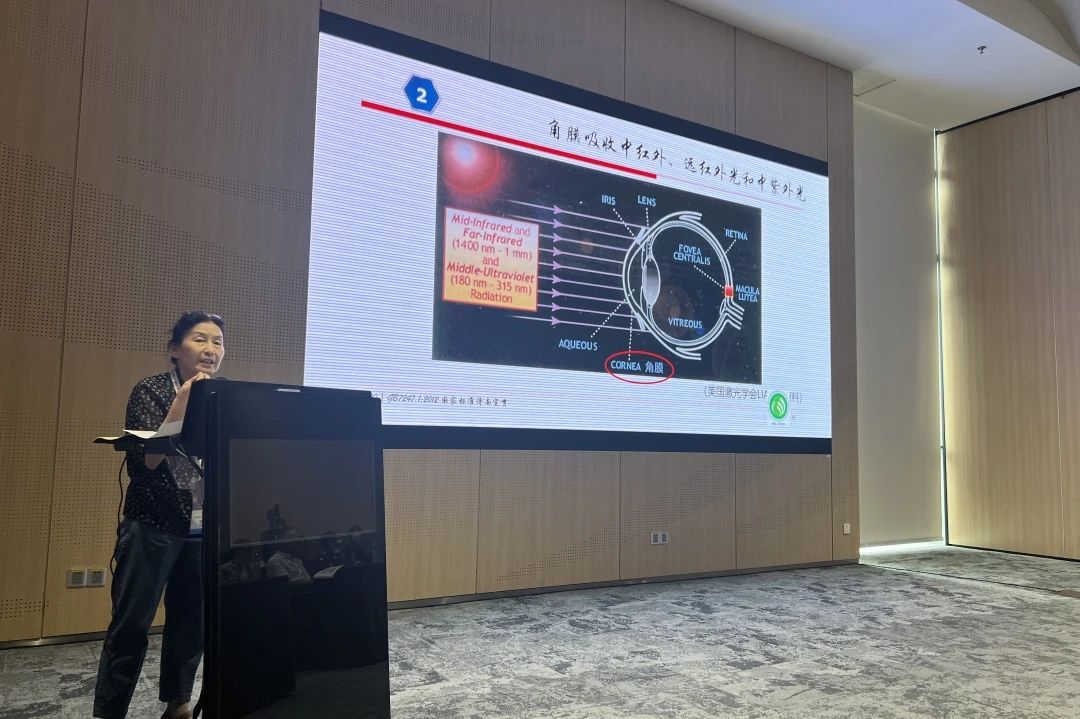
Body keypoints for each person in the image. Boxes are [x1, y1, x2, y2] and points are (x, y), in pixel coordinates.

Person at [93, 312, 226, 719]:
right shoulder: (150, 390)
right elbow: (146, 462)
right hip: (152, 524)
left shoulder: (222, 397)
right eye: (200, 339)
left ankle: (179, 703)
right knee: (131, 625)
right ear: (174, 349)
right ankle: (110, 712)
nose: (210, 349)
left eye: (218, 342)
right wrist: (184, 399)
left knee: (191, 622)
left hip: (201, 525)